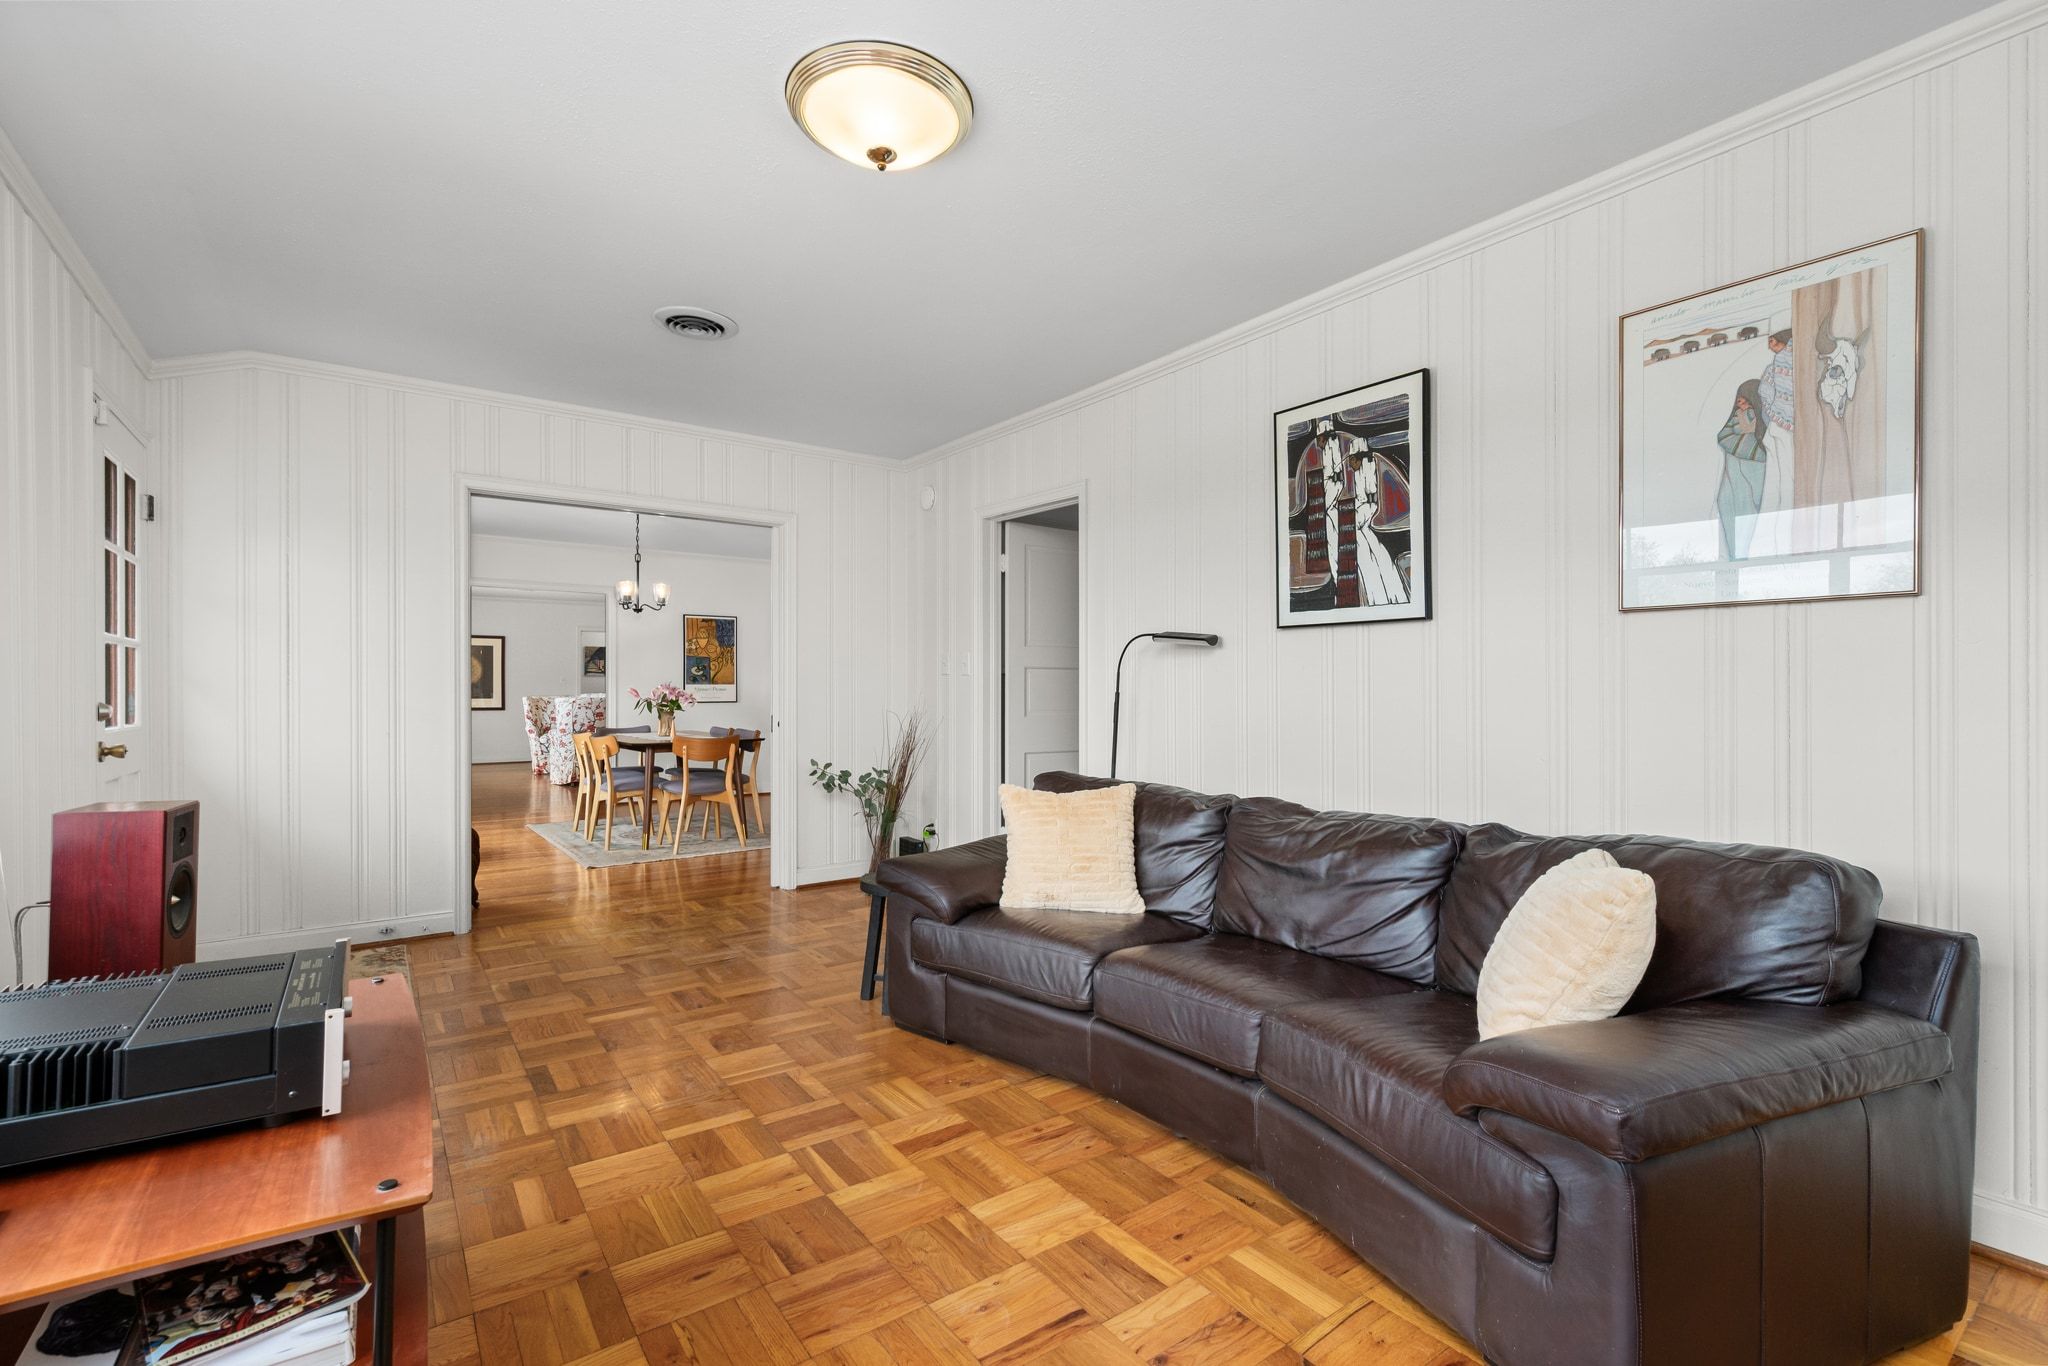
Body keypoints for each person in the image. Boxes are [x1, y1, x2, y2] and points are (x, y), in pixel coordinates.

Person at [1715, 380, 1769, 560]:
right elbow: (1724, 436)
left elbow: (1761, 444)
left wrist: (1744, 439)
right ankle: (1734, 557)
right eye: (1740, 401)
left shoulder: (1762, 421)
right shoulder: (1735, 418)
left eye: (1747, 401)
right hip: (1733, 480)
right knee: (1729, 508)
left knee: (1750, 517)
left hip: (1755, 473)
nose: (1743, 404)